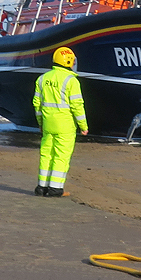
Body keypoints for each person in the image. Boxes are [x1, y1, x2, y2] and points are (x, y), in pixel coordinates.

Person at [33, 46, 88, 197]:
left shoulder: (42, 79)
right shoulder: (72, 81)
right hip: (65, 126)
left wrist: (40, 123)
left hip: (48, 124)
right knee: (61, 157)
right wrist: (84, 126)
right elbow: (77, 106)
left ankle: (41, 187)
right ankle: (55, 189)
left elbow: (37, 104)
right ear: (69, 61)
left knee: (46, 155)